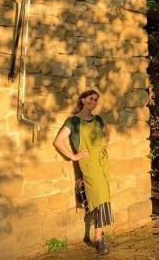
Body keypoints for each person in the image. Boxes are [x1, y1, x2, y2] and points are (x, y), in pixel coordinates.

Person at [53, 89, 112, 254]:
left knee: (104, 198)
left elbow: (107, 134)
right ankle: (98, 238)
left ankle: (98, 235)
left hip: (102, 163)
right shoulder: (73, 122)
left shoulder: (98, 119)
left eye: (96, 100)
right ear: (83, 100)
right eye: (91, 99)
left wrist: (103, 144)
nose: (94, 102)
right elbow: (58, 141)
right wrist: (73, 156)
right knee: (98, 199)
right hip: (88, 166)